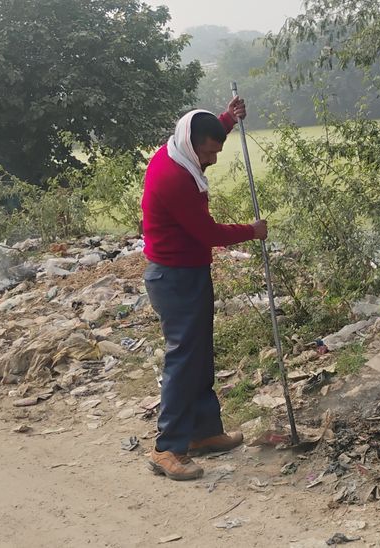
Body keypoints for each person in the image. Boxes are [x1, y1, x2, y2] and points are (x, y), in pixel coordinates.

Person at [141, 96, 267, 481]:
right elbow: (207, 233)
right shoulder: (174, 177)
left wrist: (227, 118)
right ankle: (167, 448)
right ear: (191, 145)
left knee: (198, 356)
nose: (212, 160)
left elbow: (206, 133)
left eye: (216, 152)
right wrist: (250, 231)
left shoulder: (182, 151)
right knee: (183, 360)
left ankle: (203, 432)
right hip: (174, 277)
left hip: (188, 271)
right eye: (209, 153)